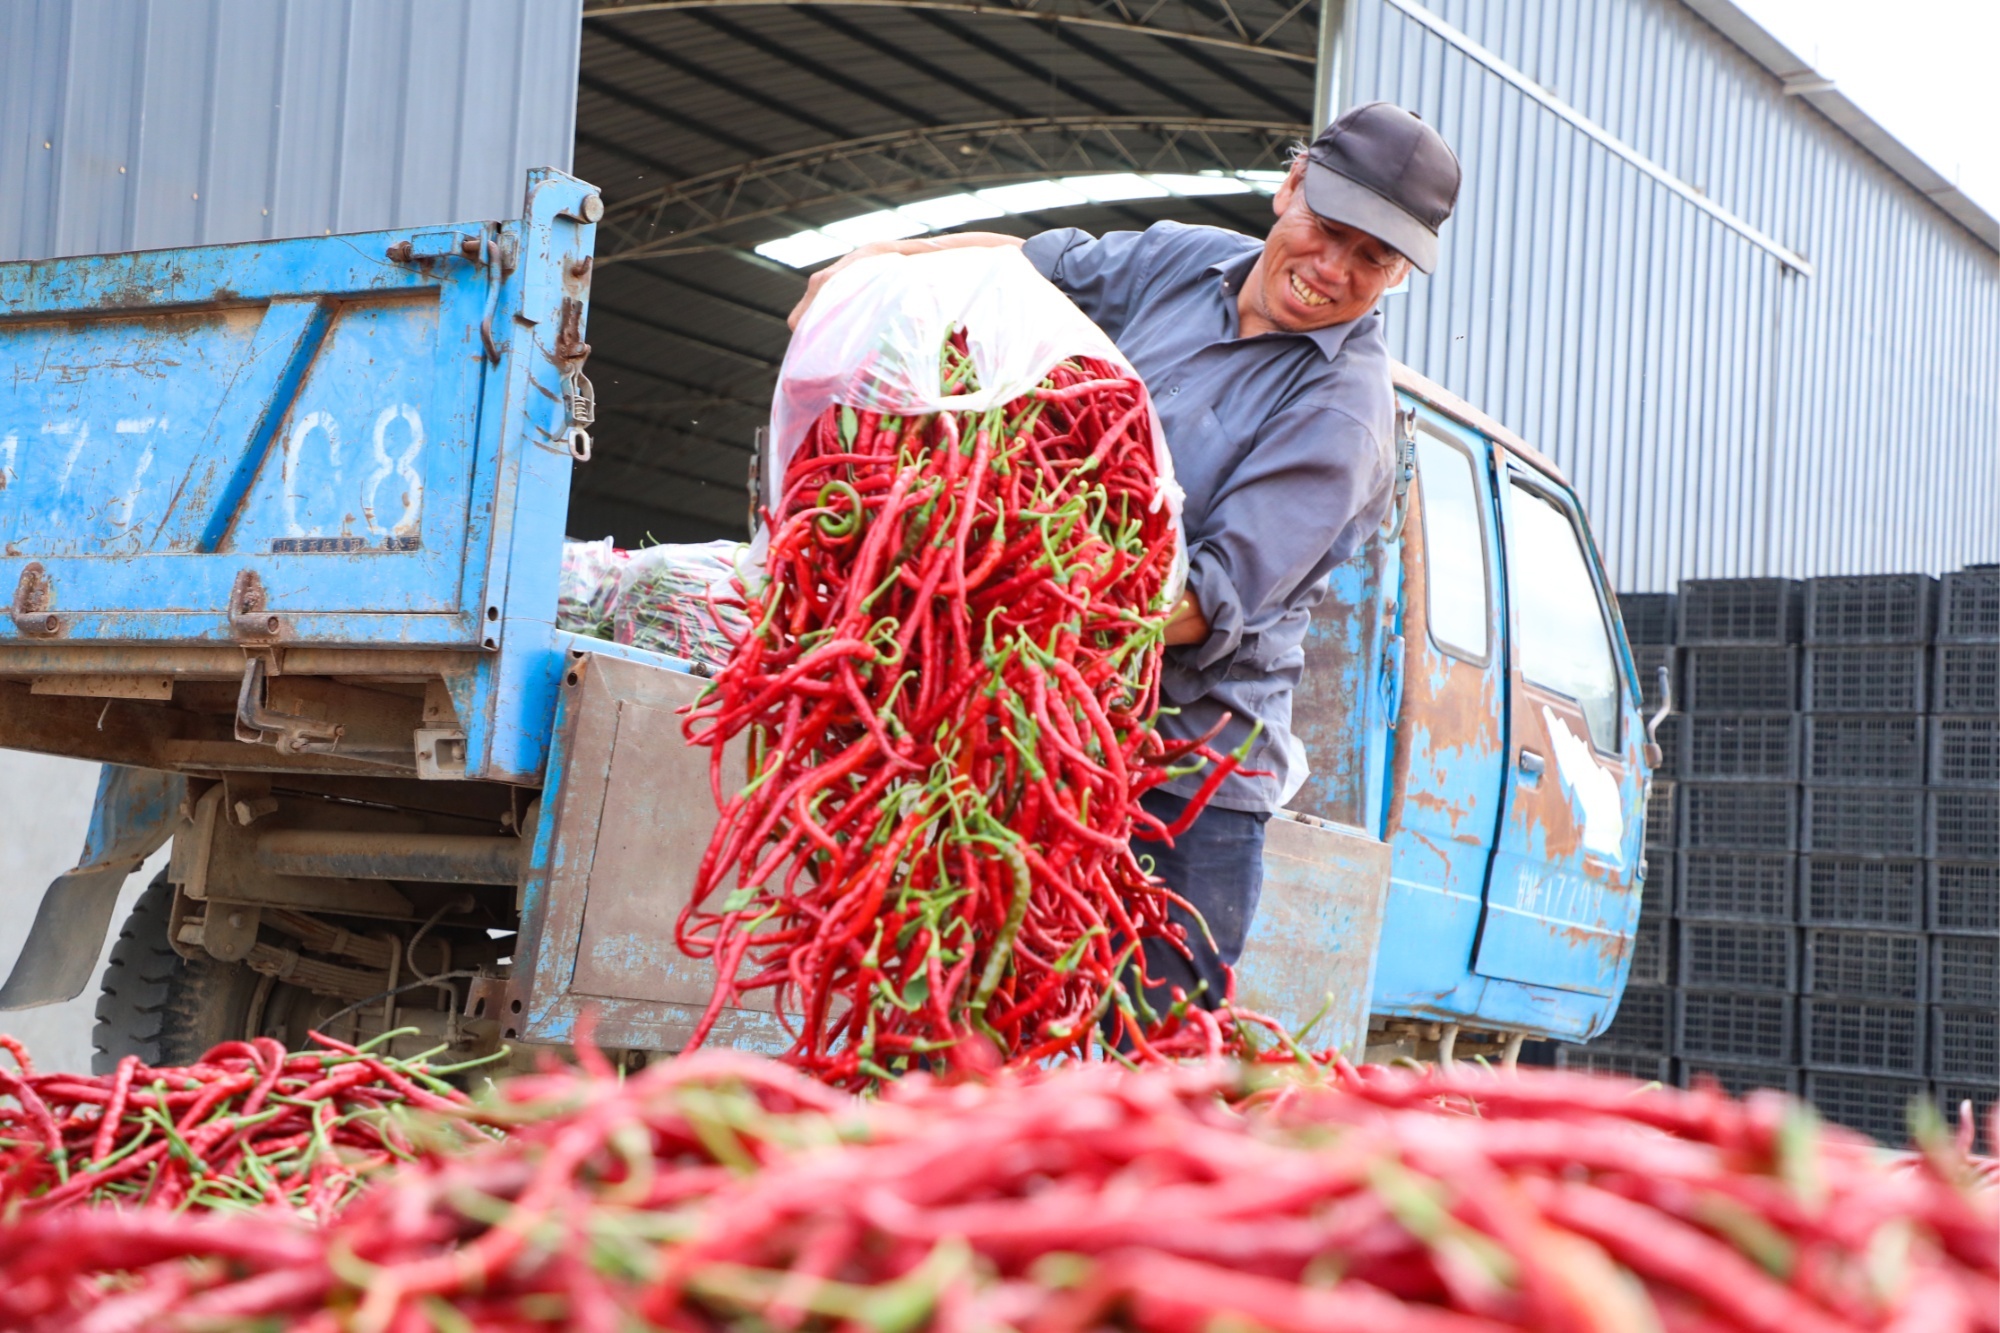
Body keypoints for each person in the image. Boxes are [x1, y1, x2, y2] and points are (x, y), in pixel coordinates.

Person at [788, 102, 1462, 1018]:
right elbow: (1015, 270)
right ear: (1288, 185)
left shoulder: (1343, 416)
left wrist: (995, 593)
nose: (1334, 269)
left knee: (1137, 1064)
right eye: (1327, 229)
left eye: (1373, 260)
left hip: (1179, 785)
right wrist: (873, 268)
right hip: (1032, 733)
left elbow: (1198, 606)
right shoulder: (1185, 262)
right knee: (956, 1029)